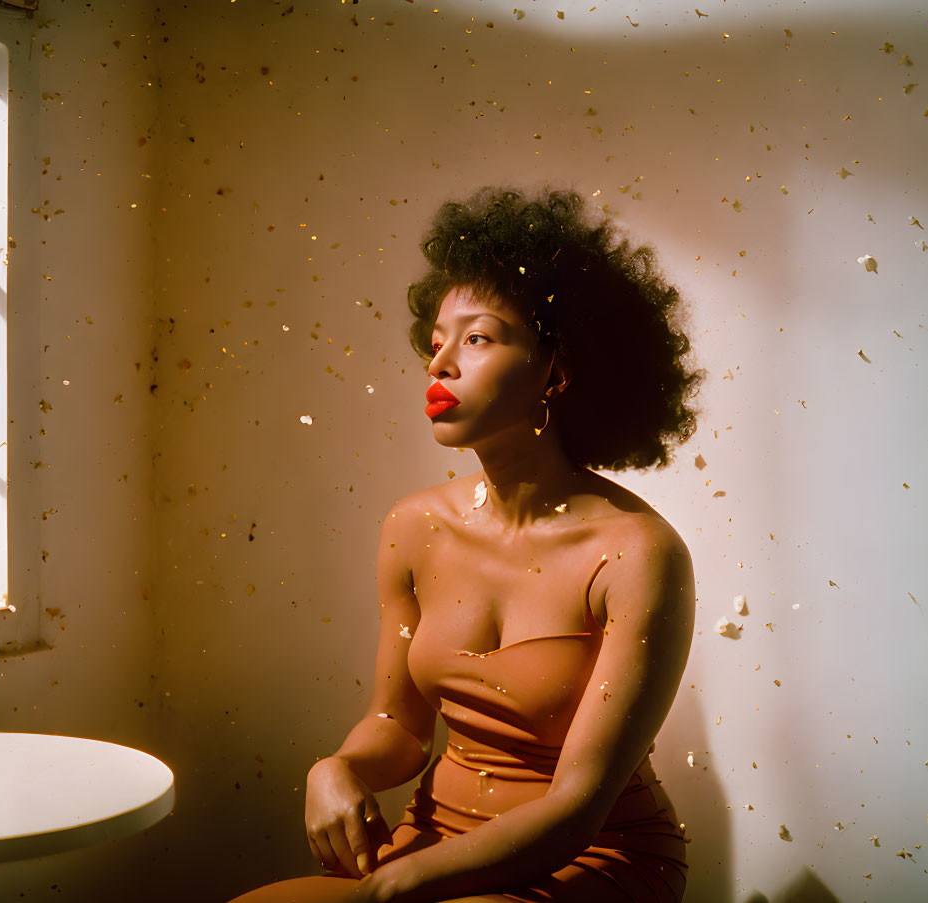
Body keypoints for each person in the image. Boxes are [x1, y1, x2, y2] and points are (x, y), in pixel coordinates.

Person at [231, 187, 703, 903]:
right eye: (437, 340)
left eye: (477, 338)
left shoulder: (638, 552)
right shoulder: (413, 527)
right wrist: (336, 768)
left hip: (590, 858)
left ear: (557, 369)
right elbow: (398, 727)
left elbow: (578, 805)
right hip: (431, 844)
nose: (439, 363)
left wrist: (396, 886)